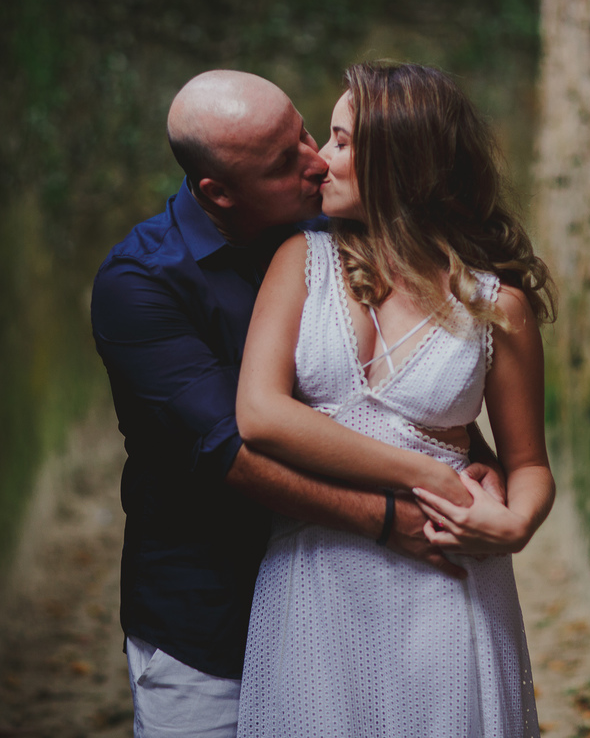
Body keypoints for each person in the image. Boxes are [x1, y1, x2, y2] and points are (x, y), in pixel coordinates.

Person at [90, 70, 515, 738]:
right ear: (218, 193)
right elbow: (233, 453)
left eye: (307, 134)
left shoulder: (336, 222)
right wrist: (387, 518)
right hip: (211, 612)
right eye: (286, 162)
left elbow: (419, 373)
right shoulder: (140, 285)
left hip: (365, 596)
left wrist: (476, 458)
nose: (317, 161)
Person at [234, 61, 557, 737]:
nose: (322, 160)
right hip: (314, 578)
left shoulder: (497, 307)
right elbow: (260, 416)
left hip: (448, 586)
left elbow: (529, 464)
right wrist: (430, 473)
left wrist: (517, 525)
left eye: (343, 141)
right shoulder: (300, 263)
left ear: (402, 162)